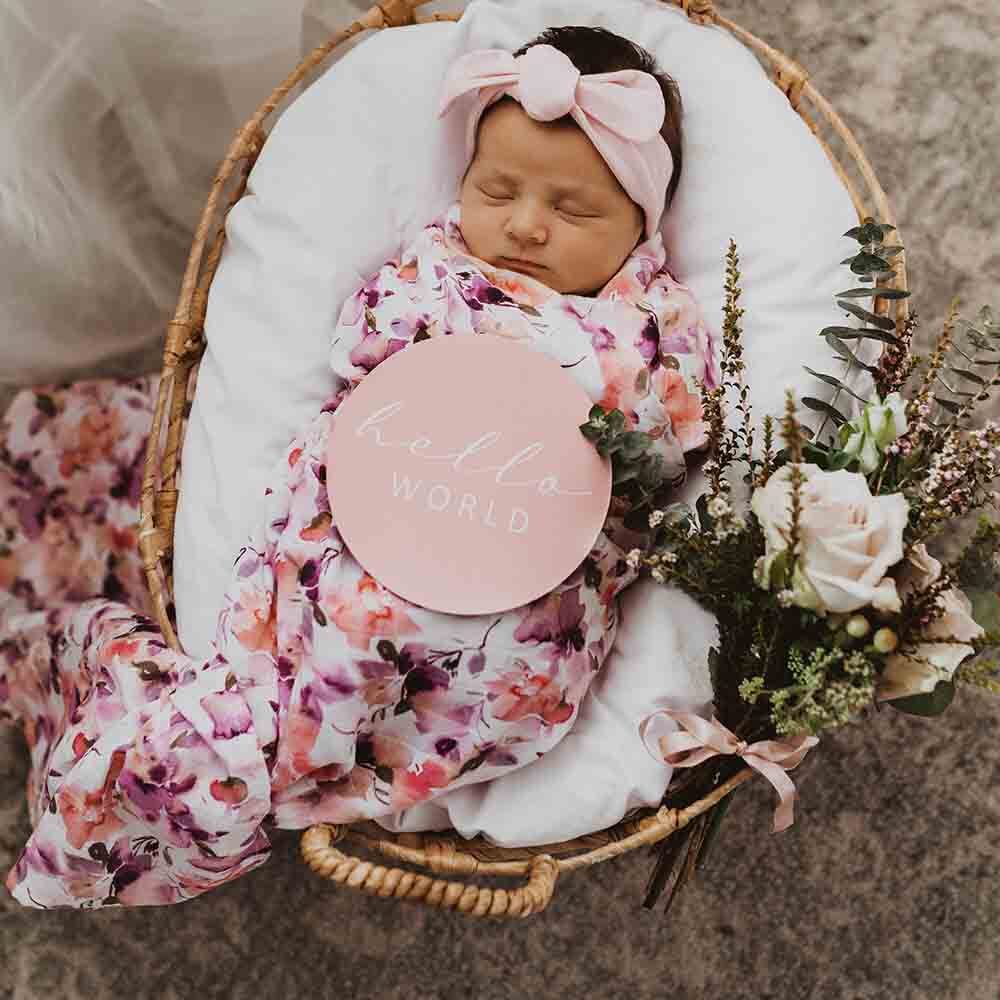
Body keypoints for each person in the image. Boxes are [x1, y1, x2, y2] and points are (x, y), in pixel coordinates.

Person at [0, 26, 717, 908]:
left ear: (641, 225)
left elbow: (676, 437)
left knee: (500, 673)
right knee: (335, 617)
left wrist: (583, 379)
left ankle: (274, 752)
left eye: (573, 213)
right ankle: (261, 732)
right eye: (498, 190)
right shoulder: (440, 270)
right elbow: (363, 348)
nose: (526, 224)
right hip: (383, 521)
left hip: (526, 587)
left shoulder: (651, 325)